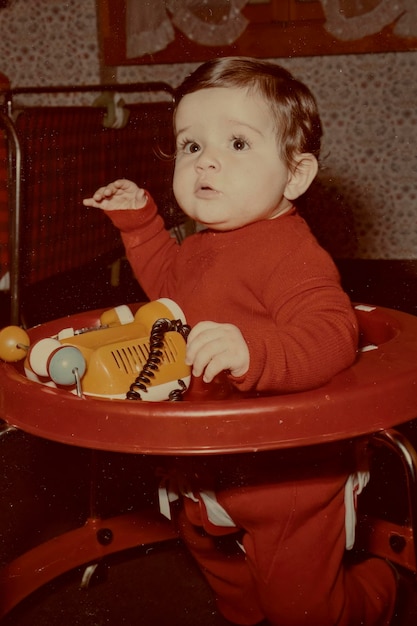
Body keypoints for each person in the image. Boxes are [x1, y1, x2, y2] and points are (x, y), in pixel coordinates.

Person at [83, 57, 397, 625]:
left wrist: (254, 351)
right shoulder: (206, 242)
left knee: (303, 608)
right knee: (226, 577)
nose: (206, 160)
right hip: (206, 460)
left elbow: (331, 334)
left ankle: (376, 593)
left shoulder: (290, 253)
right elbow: (172, 292)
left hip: (288, 474)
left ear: (295, 175)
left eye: (237, 143)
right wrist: (142, 226)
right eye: (189, 144)